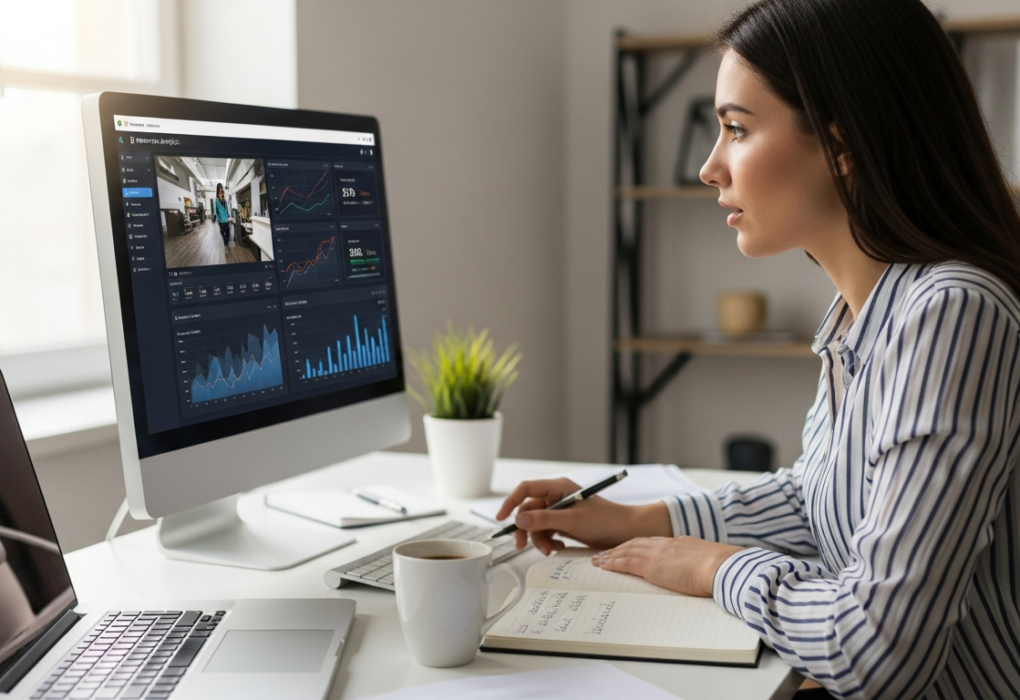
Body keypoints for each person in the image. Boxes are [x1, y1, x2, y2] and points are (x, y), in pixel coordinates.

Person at [497, 1, 1020, 697]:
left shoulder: (953, 314)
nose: (711, 168)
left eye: (736, 130)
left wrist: (715, 568)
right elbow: (818, 499)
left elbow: (880, 652)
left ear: (842, 147)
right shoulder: (862, 316)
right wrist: (636, 521)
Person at [213, 183, 233, 247]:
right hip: (221, 222)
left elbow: (227, 211)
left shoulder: (225, 201)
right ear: (218, 193)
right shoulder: (216, 201)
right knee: (223, 234)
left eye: (222, 192)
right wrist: (225, 219)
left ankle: (226, 245)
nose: (221, 194)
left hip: (227, 221)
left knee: (228, 234)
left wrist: (229, 217)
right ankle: (226, 246)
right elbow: (216, 214)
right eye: (220, 193)